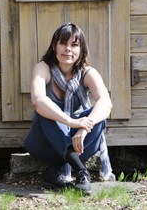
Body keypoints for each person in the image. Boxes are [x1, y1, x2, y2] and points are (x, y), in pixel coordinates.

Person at [24, 23, 113, 193]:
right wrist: (71, 122)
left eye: (74, 45)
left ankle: (53, 173)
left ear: (81, 49)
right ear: (54, 46)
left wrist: (84, 128)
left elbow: (106, 102)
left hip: (78, 144)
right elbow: (38, 100)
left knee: (97, 116)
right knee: (46, 111)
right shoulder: (43, 68)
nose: (68, 49)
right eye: (63, 43)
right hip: (42, 144)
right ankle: (82, 171)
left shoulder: (88, 72)